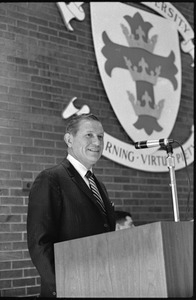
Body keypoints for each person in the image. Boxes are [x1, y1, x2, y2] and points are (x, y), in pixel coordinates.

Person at [27, 113, 116, 298]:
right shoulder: (51, 180)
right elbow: (40, 244)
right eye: (89, 135)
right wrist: (64, 288)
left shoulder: (100, 187)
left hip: (102, 287)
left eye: (100, 136)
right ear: (69, 139)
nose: (97, 143)